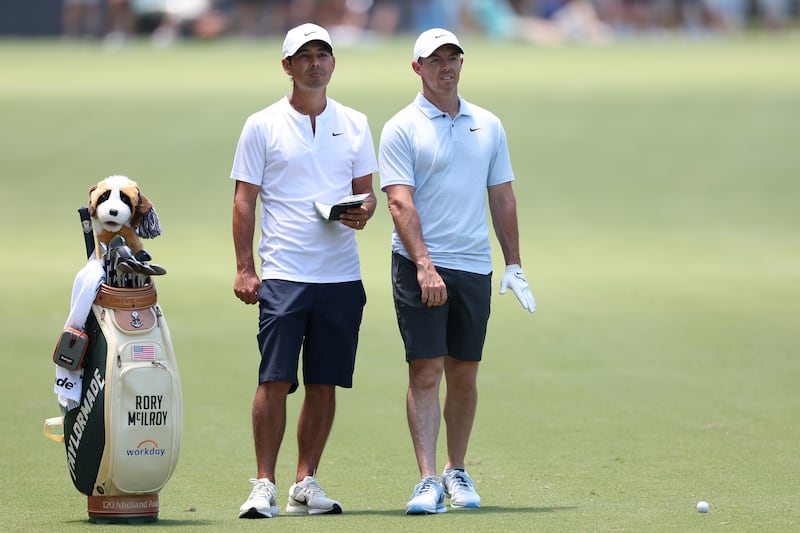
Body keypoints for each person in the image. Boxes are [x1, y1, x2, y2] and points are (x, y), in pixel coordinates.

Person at [378, 28, 536, 515]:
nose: (446, 66)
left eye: (453, 58)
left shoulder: (487, 124)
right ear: (417, 68)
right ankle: (427, 479)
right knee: (425, 372)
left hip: (473, 265)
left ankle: (456, 469)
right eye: (435, 60)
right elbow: (399, 203)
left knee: (464, 375)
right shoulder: (401, 127)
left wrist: (514, 264)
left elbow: (502, 195)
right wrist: (424, 265)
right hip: (418, 265)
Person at [230, 22, 378, 519]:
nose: (316, 62)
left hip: (340, 275)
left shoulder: (355, 122)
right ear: (287, 66)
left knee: (324, 382)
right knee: (274, 380)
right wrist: (245, 268)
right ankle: (263, 485)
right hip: (285, 274)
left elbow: (366, 191)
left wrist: (363, 210)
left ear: (334, 63)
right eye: (305, 55)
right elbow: (244, 200)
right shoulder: (262, 124)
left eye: (323, 54)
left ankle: (305, 481)